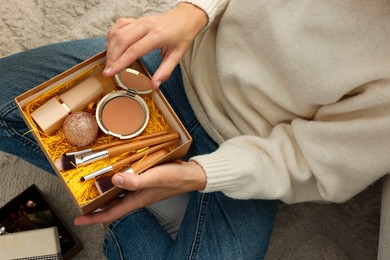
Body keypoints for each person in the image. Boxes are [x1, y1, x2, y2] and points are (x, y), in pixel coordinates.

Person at [0, 0, 389, 259]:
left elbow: (312, 162)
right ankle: (129, 191)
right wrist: (193, 11)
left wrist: (198, 175)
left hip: (250, 156)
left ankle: (119, 195)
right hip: (174, 66)